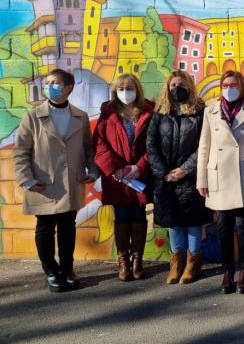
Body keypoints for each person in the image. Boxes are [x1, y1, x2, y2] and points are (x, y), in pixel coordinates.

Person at [13, 69, 98, 292]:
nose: (50, 86)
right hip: (43, 182)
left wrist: (92, 170)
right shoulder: (33, 116)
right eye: (48, 82)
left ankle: (67, 268)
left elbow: (88, 149)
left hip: (71, 181)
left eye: (56, 82)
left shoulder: (80, 116)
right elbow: (21, 151)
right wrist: (26, 179)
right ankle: (50, 270)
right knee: (45, 227)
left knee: (68, 227)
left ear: (69, 87)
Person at [197, 71, 244, 294]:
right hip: (219, 176)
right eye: (225, 84)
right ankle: (227, 271)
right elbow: (204, 147)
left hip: (243, 174)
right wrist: (202, 179)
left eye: (234, 84)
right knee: (222, 228)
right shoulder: (210, 112)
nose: (229, 88)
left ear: (241, 87)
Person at [147, 70, 212, 284]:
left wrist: (185, 169)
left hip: (191, 177)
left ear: (190, 86)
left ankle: (193, 263)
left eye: (181, 84)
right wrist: (164, 172)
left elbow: (205, 144)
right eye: (173, 85)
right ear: (167, 88)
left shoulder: (200, 111)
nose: (177, 89)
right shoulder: (160, 112)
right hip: (166, 178)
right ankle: (176, 263)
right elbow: (151, 144)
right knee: (174, 222)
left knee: (193, 221)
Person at [93, 74, 154, 282]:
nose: (125, 92)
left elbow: (154, 144)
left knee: (138, 214)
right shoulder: (108, 113)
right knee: (121, 216)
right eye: (121, 88)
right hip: (117, 178)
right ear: (115, 91)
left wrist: (139, 167)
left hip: (139, 175)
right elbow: (99, 143)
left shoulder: (149, 111)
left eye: (130, 88)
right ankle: (123, 261)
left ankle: (137, 259)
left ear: (137, 90)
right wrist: (115, 169)